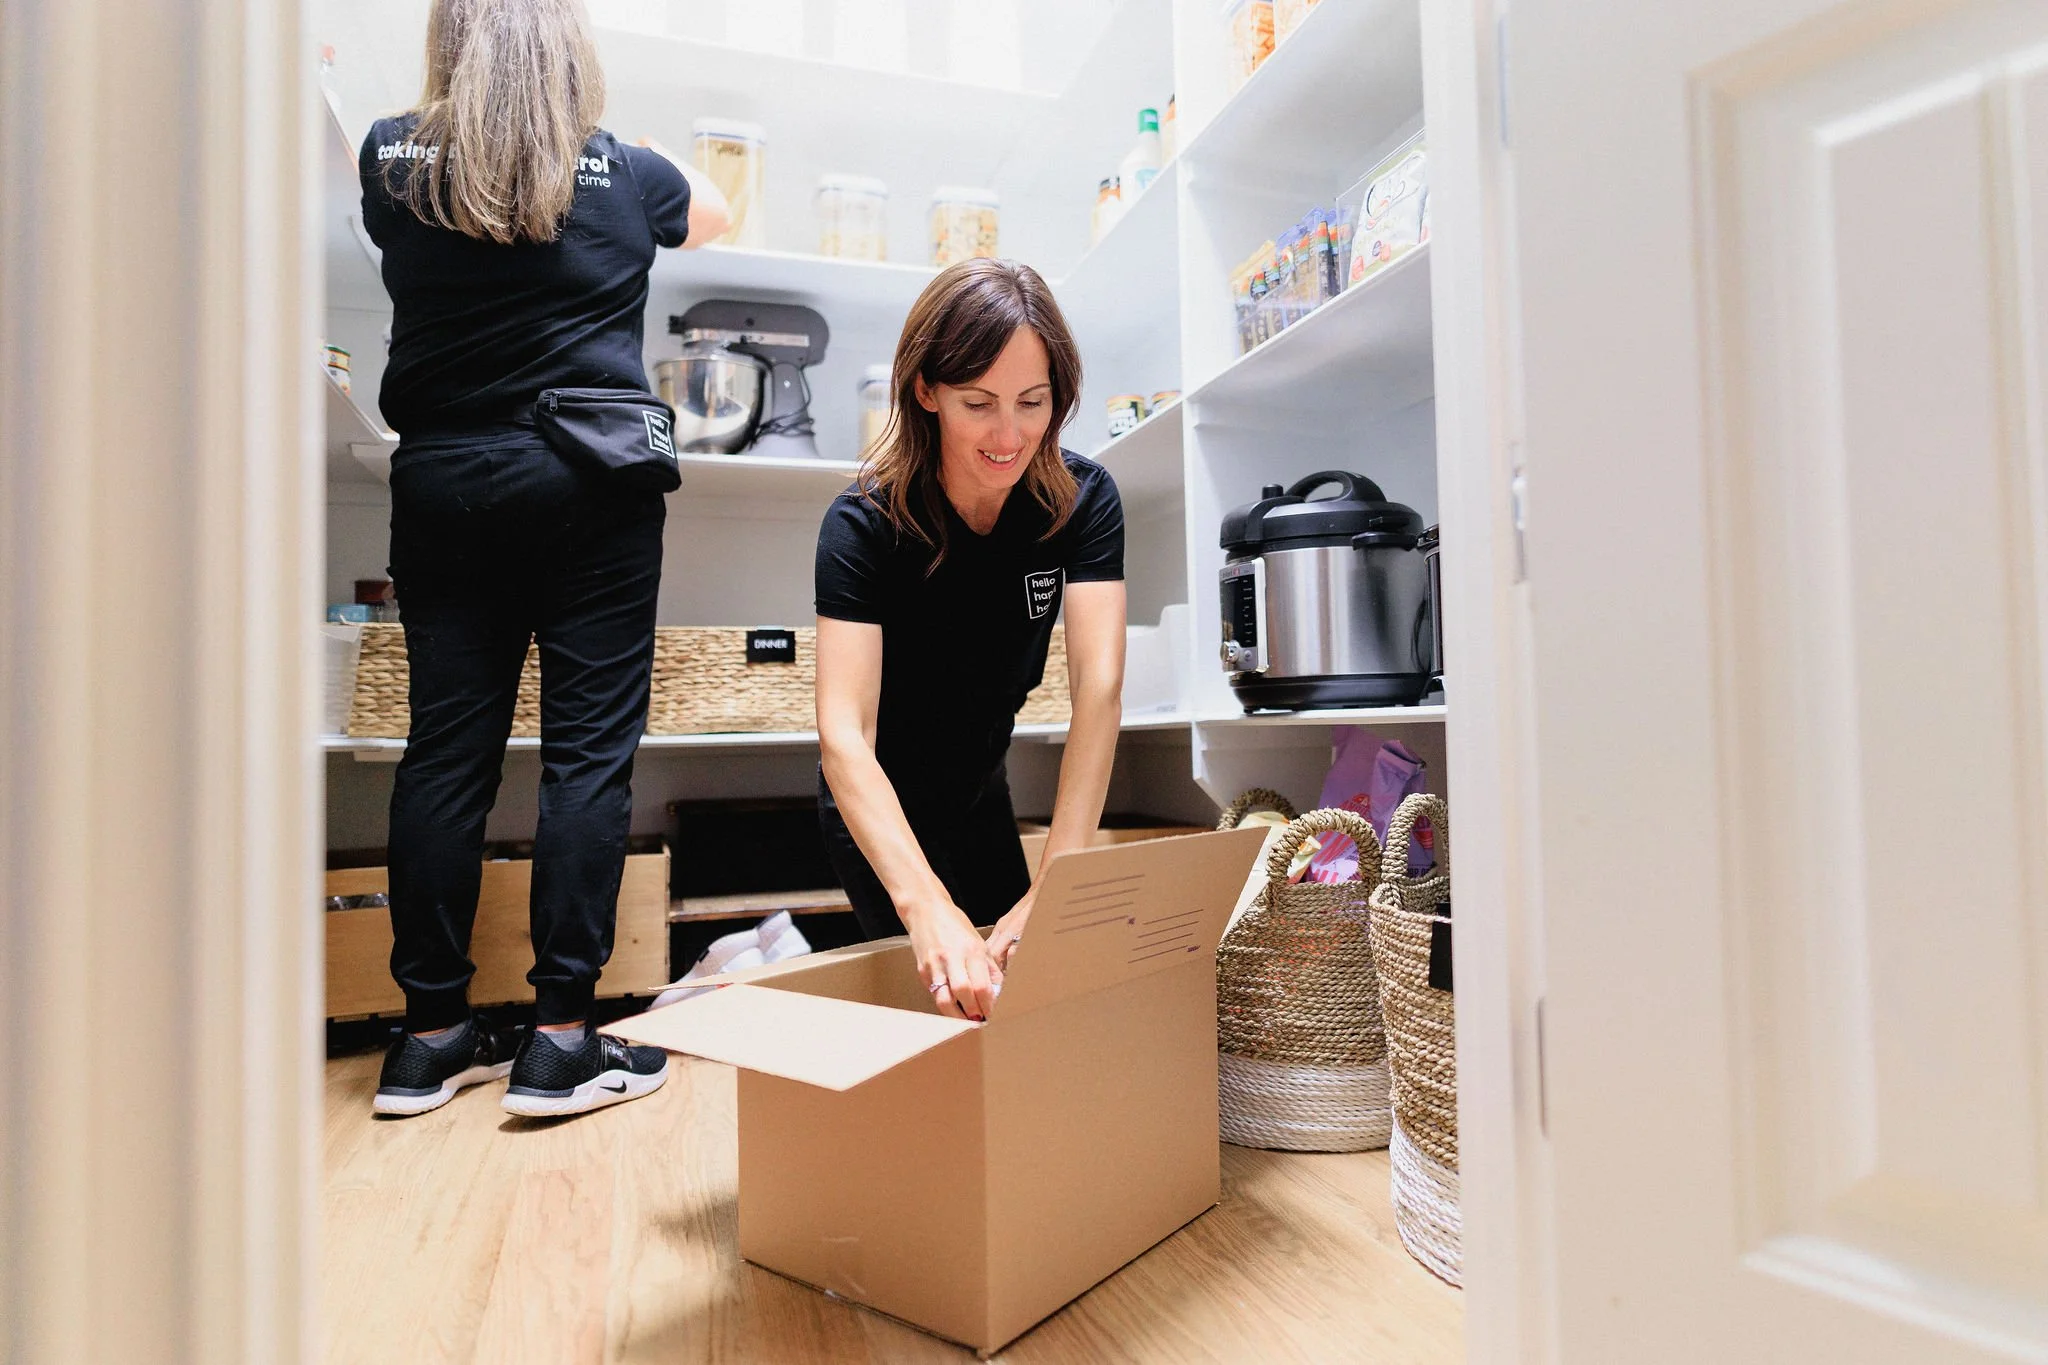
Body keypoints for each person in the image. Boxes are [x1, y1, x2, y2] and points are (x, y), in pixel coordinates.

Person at [360, 0, 731, 1118]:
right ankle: (562, 1039)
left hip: (443, 479)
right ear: (569, 53)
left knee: (444, 755)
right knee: (584, 758)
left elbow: (433, 181)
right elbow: (711, 212)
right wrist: (611, 134)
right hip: (590, 484)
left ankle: (429, 1039)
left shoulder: (396, 152)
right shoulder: (622, 169)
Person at [814, 259, 1127, 1022]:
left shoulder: (1082, 502)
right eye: (978, 403)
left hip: (981, 788)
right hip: (878, 802)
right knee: (940, 1003)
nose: (1010, 434)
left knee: (1022, 994)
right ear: (927, 391)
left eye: (1033, 402)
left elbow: (1100, 690)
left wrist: (1058, 881)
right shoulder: (863, 526)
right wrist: (925, 906)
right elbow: (843, 735)